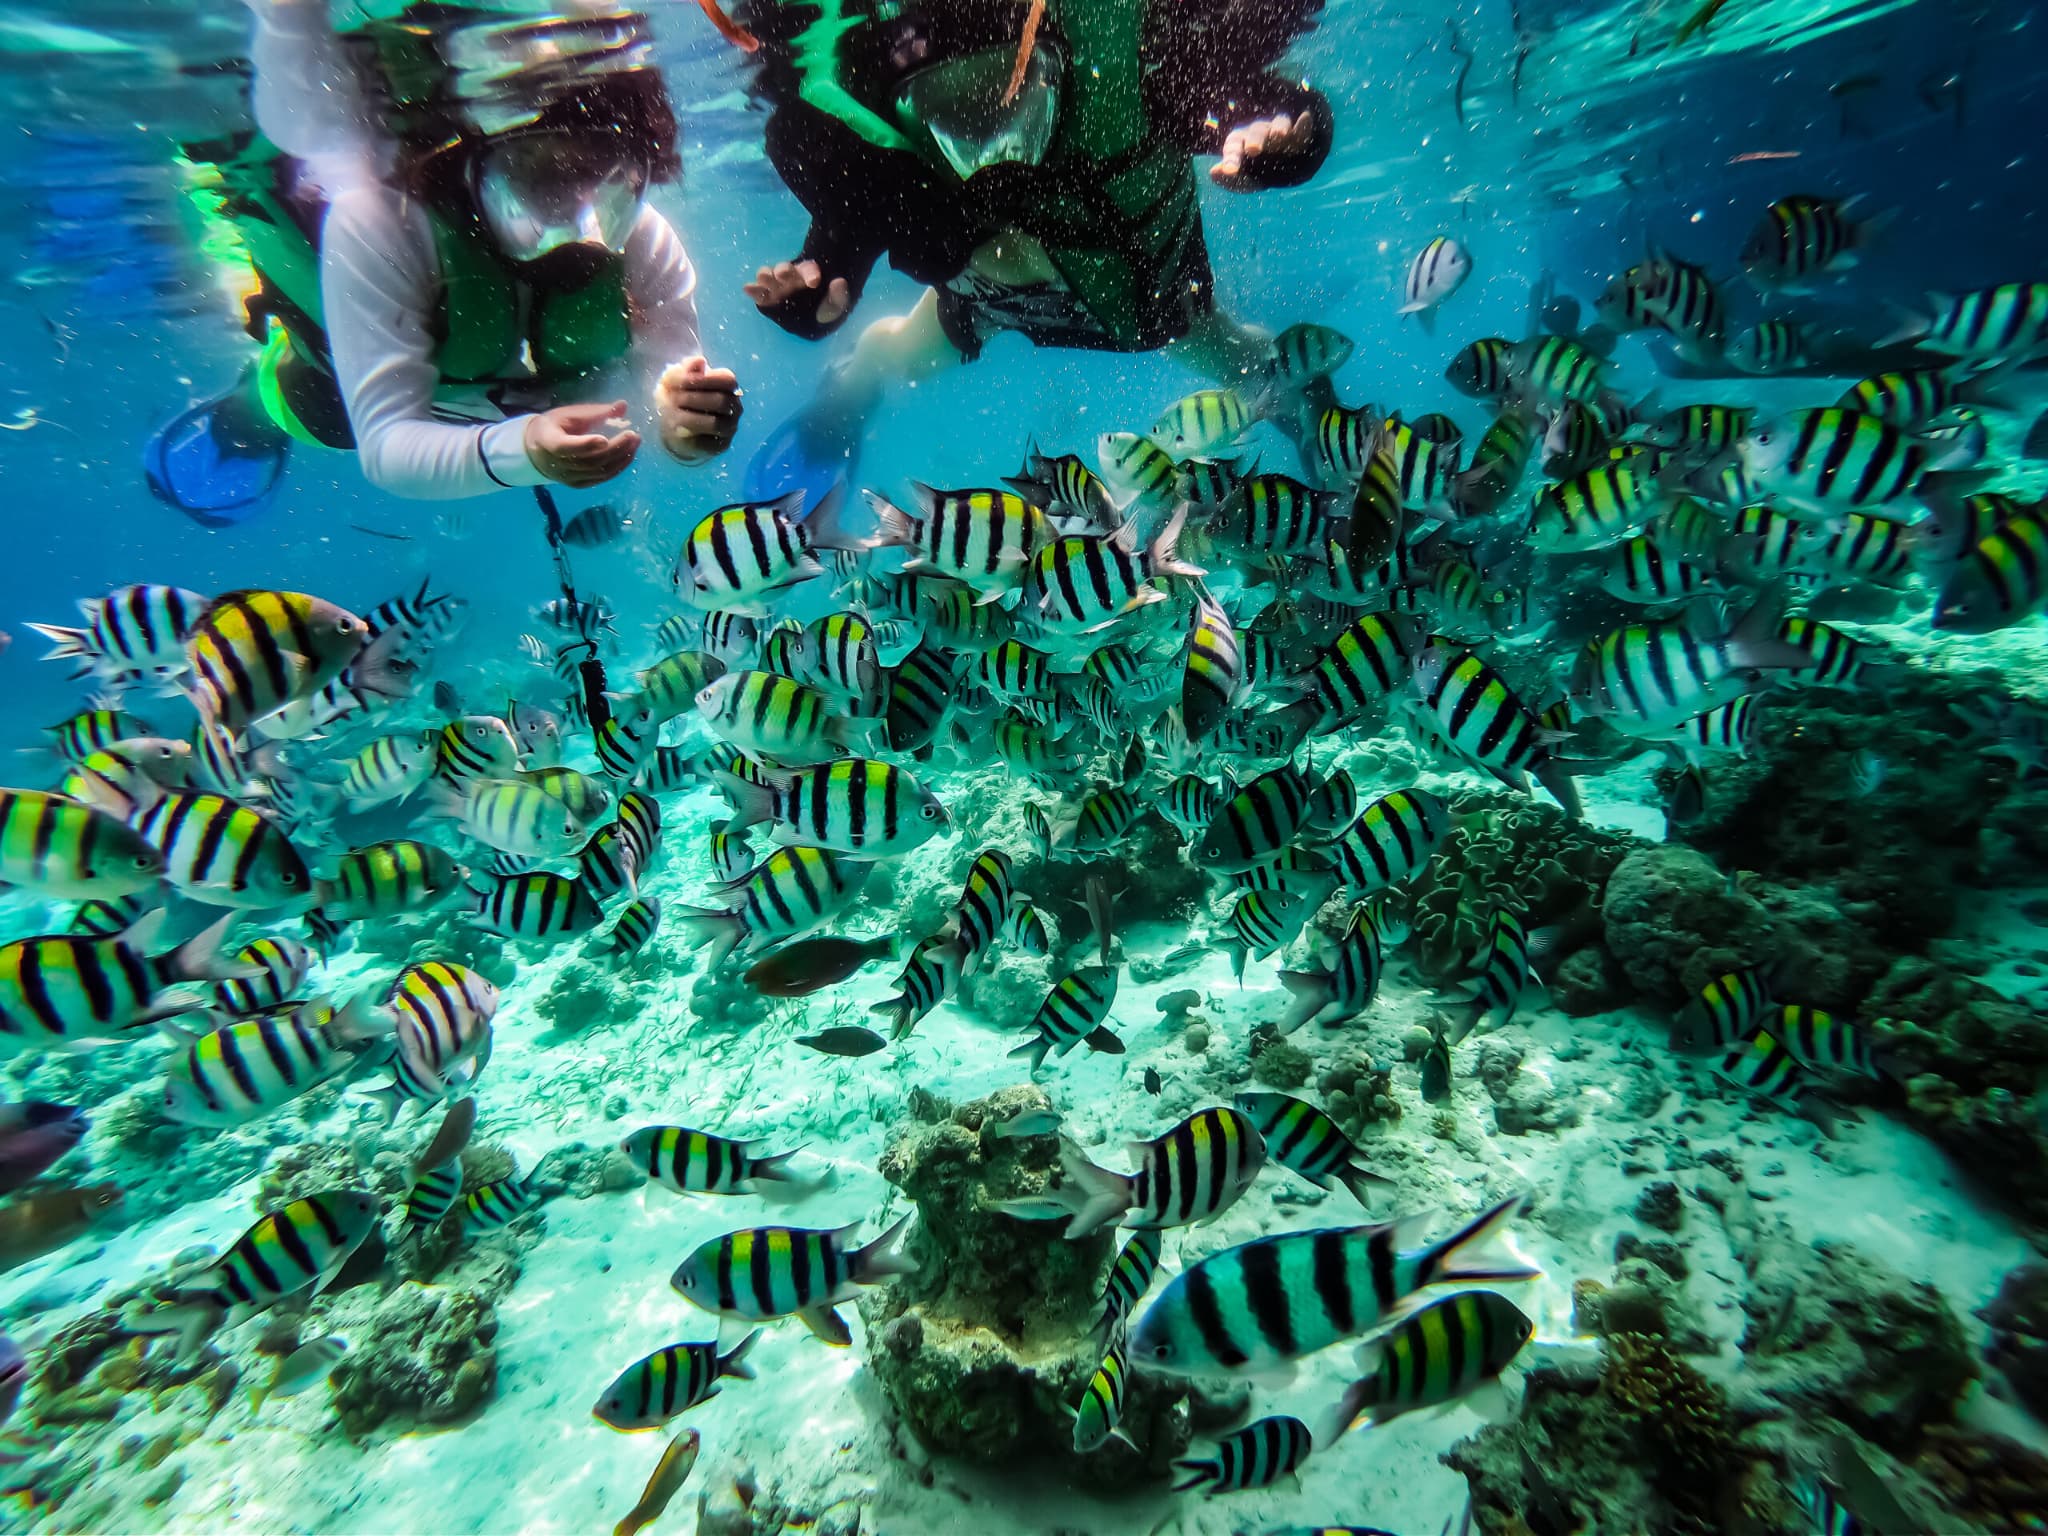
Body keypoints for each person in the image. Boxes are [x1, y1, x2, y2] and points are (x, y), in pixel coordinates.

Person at [150, 0, 741, 522]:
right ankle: (249, 397)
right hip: (330, 388)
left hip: (499, 391)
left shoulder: (646, 241)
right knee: (317, 413)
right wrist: (523, 450)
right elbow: (384, 445)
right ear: (477, 162)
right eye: (539, 175)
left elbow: (669, 392)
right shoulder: (384, 224)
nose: (575, 213)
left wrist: (688, 431)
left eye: (604, 178)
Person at [730, 0, 1334, 508]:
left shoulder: (1130, 78)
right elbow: (833, 262)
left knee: (1259, 371)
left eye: (1016, 115)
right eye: (956, 131)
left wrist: (1278, 150)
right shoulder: (889, 130)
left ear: (1057, 76)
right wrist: (809, 305)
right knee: (891, 356)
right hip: (991, 300)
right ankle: (844, 400)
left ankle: (1328, 435)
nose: (999, 162)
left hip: (1135, 291)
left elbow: (1276, 108)